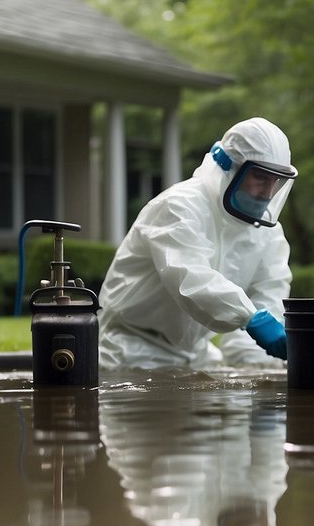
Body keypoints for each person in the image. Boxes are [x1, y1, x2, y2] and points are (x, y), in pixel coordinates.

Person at [98, 117, 298, 370]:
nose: (268, 193)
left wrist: (259, 361)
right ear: (229, 168)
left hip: (196, 354)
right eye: (260, 177)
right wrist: (251, 317)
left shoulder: (267, 233)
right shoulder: (178, 207)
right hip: (131, 350)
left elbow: (267, 295)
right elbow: (191, 279)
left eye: (276, 181)